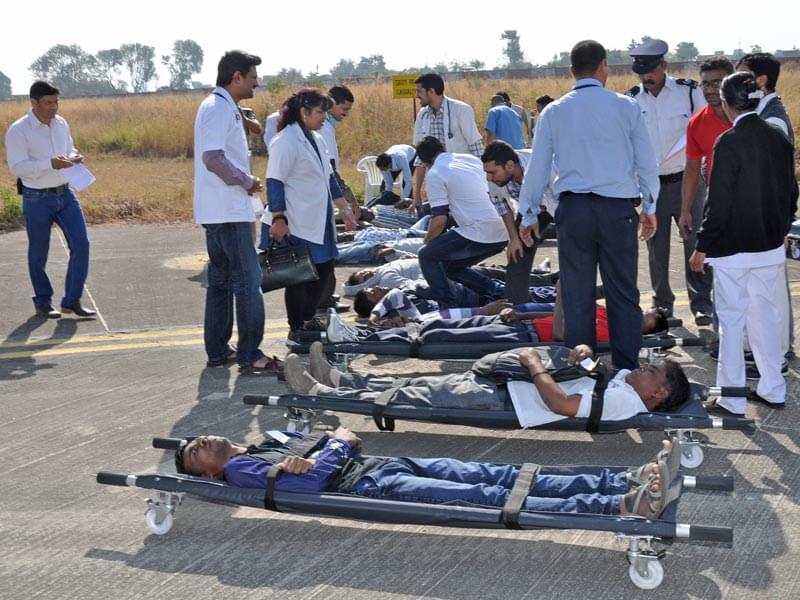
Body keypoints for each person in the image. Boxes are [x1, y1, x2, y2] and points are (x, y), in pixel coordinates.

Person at [518, 40, 660, 369]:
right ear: (603, 66)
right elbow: (646, 162)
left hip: (574, 211)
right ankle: (626, 372)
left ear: (572, 71)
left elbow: (537, 168)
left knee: (577, 295)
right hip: (617, 210)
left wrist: (528, 213)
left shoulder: (553, 111)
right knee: (622, 293)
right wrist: (649, 206)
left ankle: (581, 371)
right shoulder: (626, 107)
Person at [176, 427, 668, 518]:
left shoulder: (267, 443)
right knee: (490, 498)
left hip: (381, 465)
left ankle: (621, 478)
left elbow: (336, 436)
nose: (197, 445)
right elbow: (314, 479)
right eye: (193, 456)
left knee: (503, 475)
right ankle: (620, 505)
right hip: (374, 483)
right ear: (210, 476)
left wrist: (333, 443)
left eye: (195, 440)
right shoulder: (241, 470)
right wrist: (336, 445)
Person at [690, 72, 798, 416]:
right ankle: (773, 388)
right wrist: (781, 229)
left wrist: (702, 245)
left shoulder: (728, 141)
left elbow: (718, 203)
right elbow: (791, 193)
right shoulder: (779, 138)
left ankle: (731, 397)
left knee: (732, 322)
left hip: (732, 250)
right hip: (769, 246)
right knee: (765, 318)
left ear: (726, 102)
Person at [287, 342, 688, 427]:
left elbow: (563, 405)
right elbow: (588, 374)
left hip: (505, 400)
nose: (642, 366)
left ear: (659, 393)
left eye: (651, 369)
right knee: (416, 383)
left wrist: (534, 365)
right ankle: (341, 379)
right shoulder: (625, 383)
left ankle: (321, 395)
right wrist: (582, 353)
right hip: (504, 384)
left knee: (413, 395)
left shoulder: (625, 403)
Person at [191, 51, 276, 371]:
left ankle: (218, 350)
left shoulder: (222, 106)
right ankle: (250, 354)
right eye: (252, 77)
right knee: (248, 282)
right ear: (236, 77)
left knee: (221, 282)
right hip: (228, 210)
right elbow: (213, 158)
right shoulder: (218, 108)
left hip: (219, 210)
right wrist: (246, 181)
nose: (257, 82)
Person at [262, 88, 358, 340]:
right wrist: (278, 218)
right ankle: (297, 326)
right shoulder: (285, 141)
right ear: (303, 112)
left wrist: (344, 208)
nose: (325, 117)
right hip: (296, 220)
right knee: (300, 276)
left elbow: (329, 177)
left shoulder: (316, 138)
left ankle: (307, 318)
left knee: (324, 270)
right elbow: (274, 181)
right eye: (320, 112)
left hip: (318, 218)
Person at [627, 39, 710, 326]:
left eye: (650, 70)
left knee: (696, 242)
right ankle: (663, 304)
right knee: (656, 250)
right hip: (653, 186)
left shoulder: (689, 92)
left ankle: (702, 303)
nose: (646, 77)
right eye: (641, 72)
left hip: (689, 181)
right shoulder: (632, 100)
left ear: (664, 65)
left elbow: (704, 129)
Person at [5, 81, 95, 320]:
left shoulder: (61, 123)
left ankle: (72, 300)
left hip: (65, 193)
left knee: (81, 244)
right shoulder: (18, 130)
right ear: (33, 102)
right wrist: (50, 164)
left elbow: (69, 148)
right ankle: (43, 302)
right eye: (48, 103)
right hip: (36, 198)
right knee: (39, 252)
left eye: (56, 102)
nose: (53, 107)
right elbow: (17, 167)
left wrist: (75, 156)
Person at [325, 290, 669, 346]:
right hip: (520, 325)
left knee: (438, 335)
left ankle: (361, 340)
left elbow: (563, 332)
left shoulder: (613, 335)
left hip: (525, 338)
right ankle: (362, 336)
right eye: (645, 311)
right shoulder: (610, 315)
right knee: (437, 325)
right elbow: (556, 313)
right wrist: (519, 313)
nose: (640, 314)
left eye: (646, 319)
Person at [737, 52, 796, 364]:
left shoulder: (772, 119)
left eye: (743, 75)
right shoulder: (761, 113)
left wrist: (780, 224)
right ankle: (762, 349)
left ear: (761, 81)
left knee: (771, 293)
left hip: (767, 219)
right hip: (762, 218)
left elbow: (775, 179)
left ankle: (778, 353)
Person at [415, 136, 509, 308]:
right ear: (442, 148)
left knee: (426, 255)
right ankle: (498, 291)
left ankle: (447, 306)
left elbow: (439, 220)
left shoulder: (435, 173)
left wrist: (427, 242)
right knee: (450, 267)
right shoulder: (468, 159)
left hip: (480, 231)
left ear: (424, 162)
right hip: (504, 228)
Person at [482, 140, 556, 304]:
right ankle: (516, 304)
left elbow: (562, 203)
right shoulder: (496, 179)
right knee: (517, 253)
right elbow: (502, 205)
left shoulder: (544, 166)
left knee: (575, 251)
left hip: (561, 203)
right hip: (531, 210)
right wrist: (514, 238)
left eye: (493, 173)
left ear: (509, 166)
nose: (488, 178)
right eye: (487, 173)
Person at [678, 56, 734, 242]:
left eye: (717, 83)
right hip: (717, 205)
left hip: (752, 203)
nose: (710, 90)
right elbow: (692, 169)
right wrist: (685, 210)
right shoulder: (696, 122)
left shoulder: (750, 116)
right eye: (706, 84)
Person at [411, 73, 483, 202]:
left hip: (463, 179)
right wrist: (417, 194)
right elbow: (420, 157)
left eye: (419, 91)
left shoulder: (461, 110)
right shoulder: (422, 115)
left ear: (431, 91)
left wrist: (483, 181)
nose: (416, 96)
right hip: (437, 182)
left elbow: (476, 148)